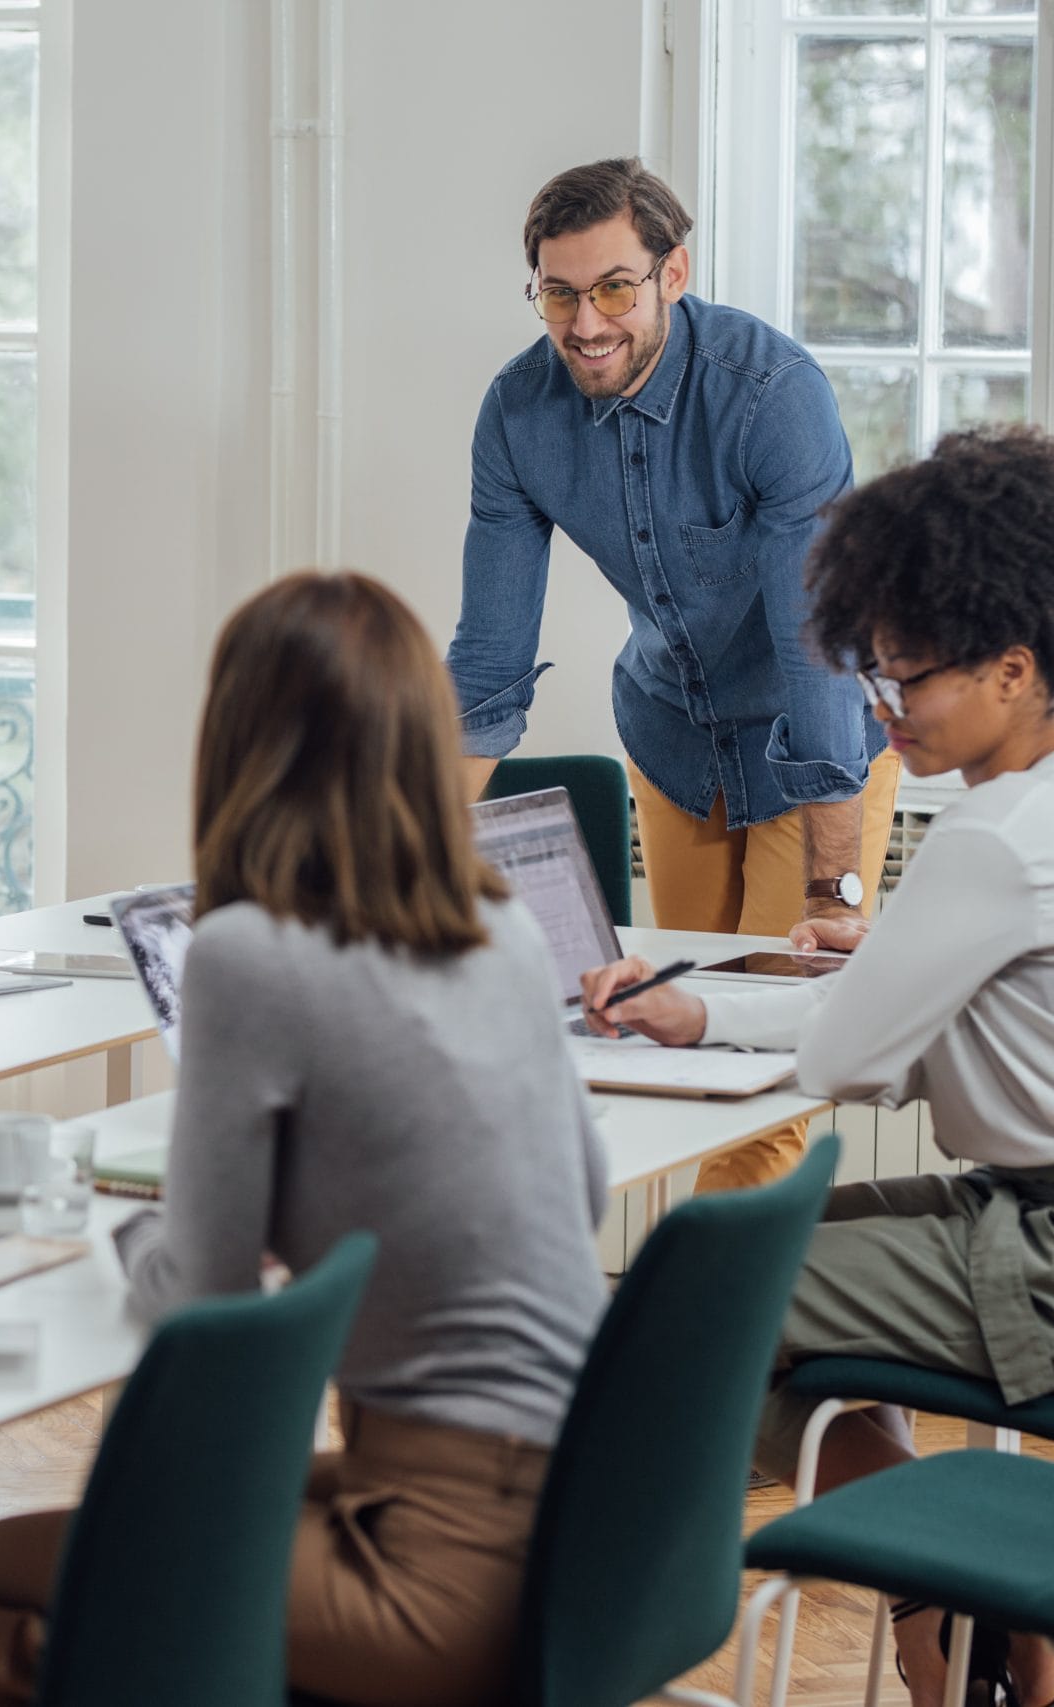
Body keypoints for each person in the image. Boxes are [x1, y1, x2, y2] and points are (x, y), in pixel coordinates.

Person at [579, 427, 1054, 1707]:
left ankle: (954, 1604)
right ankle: (968, 1617)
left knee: (683, 1304)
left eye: (907, 678)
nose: (881, 709)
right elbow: (922, 1016)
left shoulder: (993, 837)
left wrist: (826, 997)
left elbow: (844, 1057)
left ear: (1009, 667)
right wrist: (719, 1015)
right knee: (736, 1269)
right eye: (870, 672)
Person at [0, 572, 612, 1707]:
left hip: (443, 1571)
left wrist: (133, 1232)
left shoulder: (249, 952)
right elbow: (585, 1192)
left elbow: (201, 1300)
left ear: (243, 744)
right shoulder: (497, 920)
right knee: (154, 1529)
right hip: (595, 1516)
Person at [446, 156, 898, 1192]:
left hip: (815, 746)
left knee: (774, 1063)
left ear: (673, 272)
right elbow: (488, 661)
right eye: (557, 293)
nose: (584, 322)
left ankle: (718, 1336)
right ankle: (684, 1319)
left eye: (613, 286)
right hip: (672, 742)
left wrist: (835, 894)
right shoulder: (518, 413)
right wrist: (405, 864)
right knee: (665, 1038)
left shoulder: (771, 396)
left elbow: (817, 647)